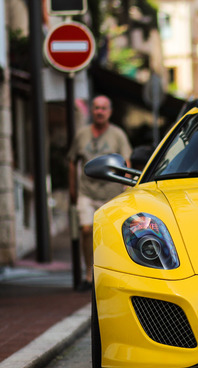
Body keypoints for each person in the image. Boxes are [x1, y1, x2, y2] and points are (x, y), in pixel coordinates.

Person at [68, 95, 132, 291]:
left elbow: (126, 161)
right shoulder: (82, 134)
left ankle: (111, 274)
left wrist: (127, 186)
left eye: (104, 108)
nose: (100, 111)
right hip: (87, 191)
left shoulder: (118, 135)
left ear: (110, 112)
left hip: (111, 194)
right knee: (86, 230)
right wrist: (72, 189)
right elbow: (72, 160)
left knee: (109, 235)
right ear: (92, 111)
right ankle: (89, 274)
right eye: (96, 108)